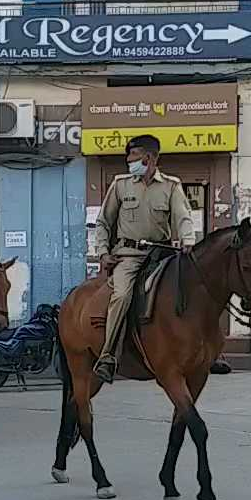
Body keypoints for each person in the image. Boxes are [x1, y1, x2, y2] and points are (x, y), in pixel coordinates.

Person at [93, 135, 196, 383]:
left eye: (133, 156)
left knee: (194, 287)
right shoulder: (121, 185)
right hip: (128, 256)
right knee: (121, 295)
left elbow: (183, 216)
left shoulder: (171, 186)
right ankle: (108, 355)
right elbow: (103, 222)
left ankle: (209, 350)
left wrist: (188, 239)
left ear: (149, 158)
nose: (129, 161)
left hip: (162, 255)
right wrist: (103, 252)